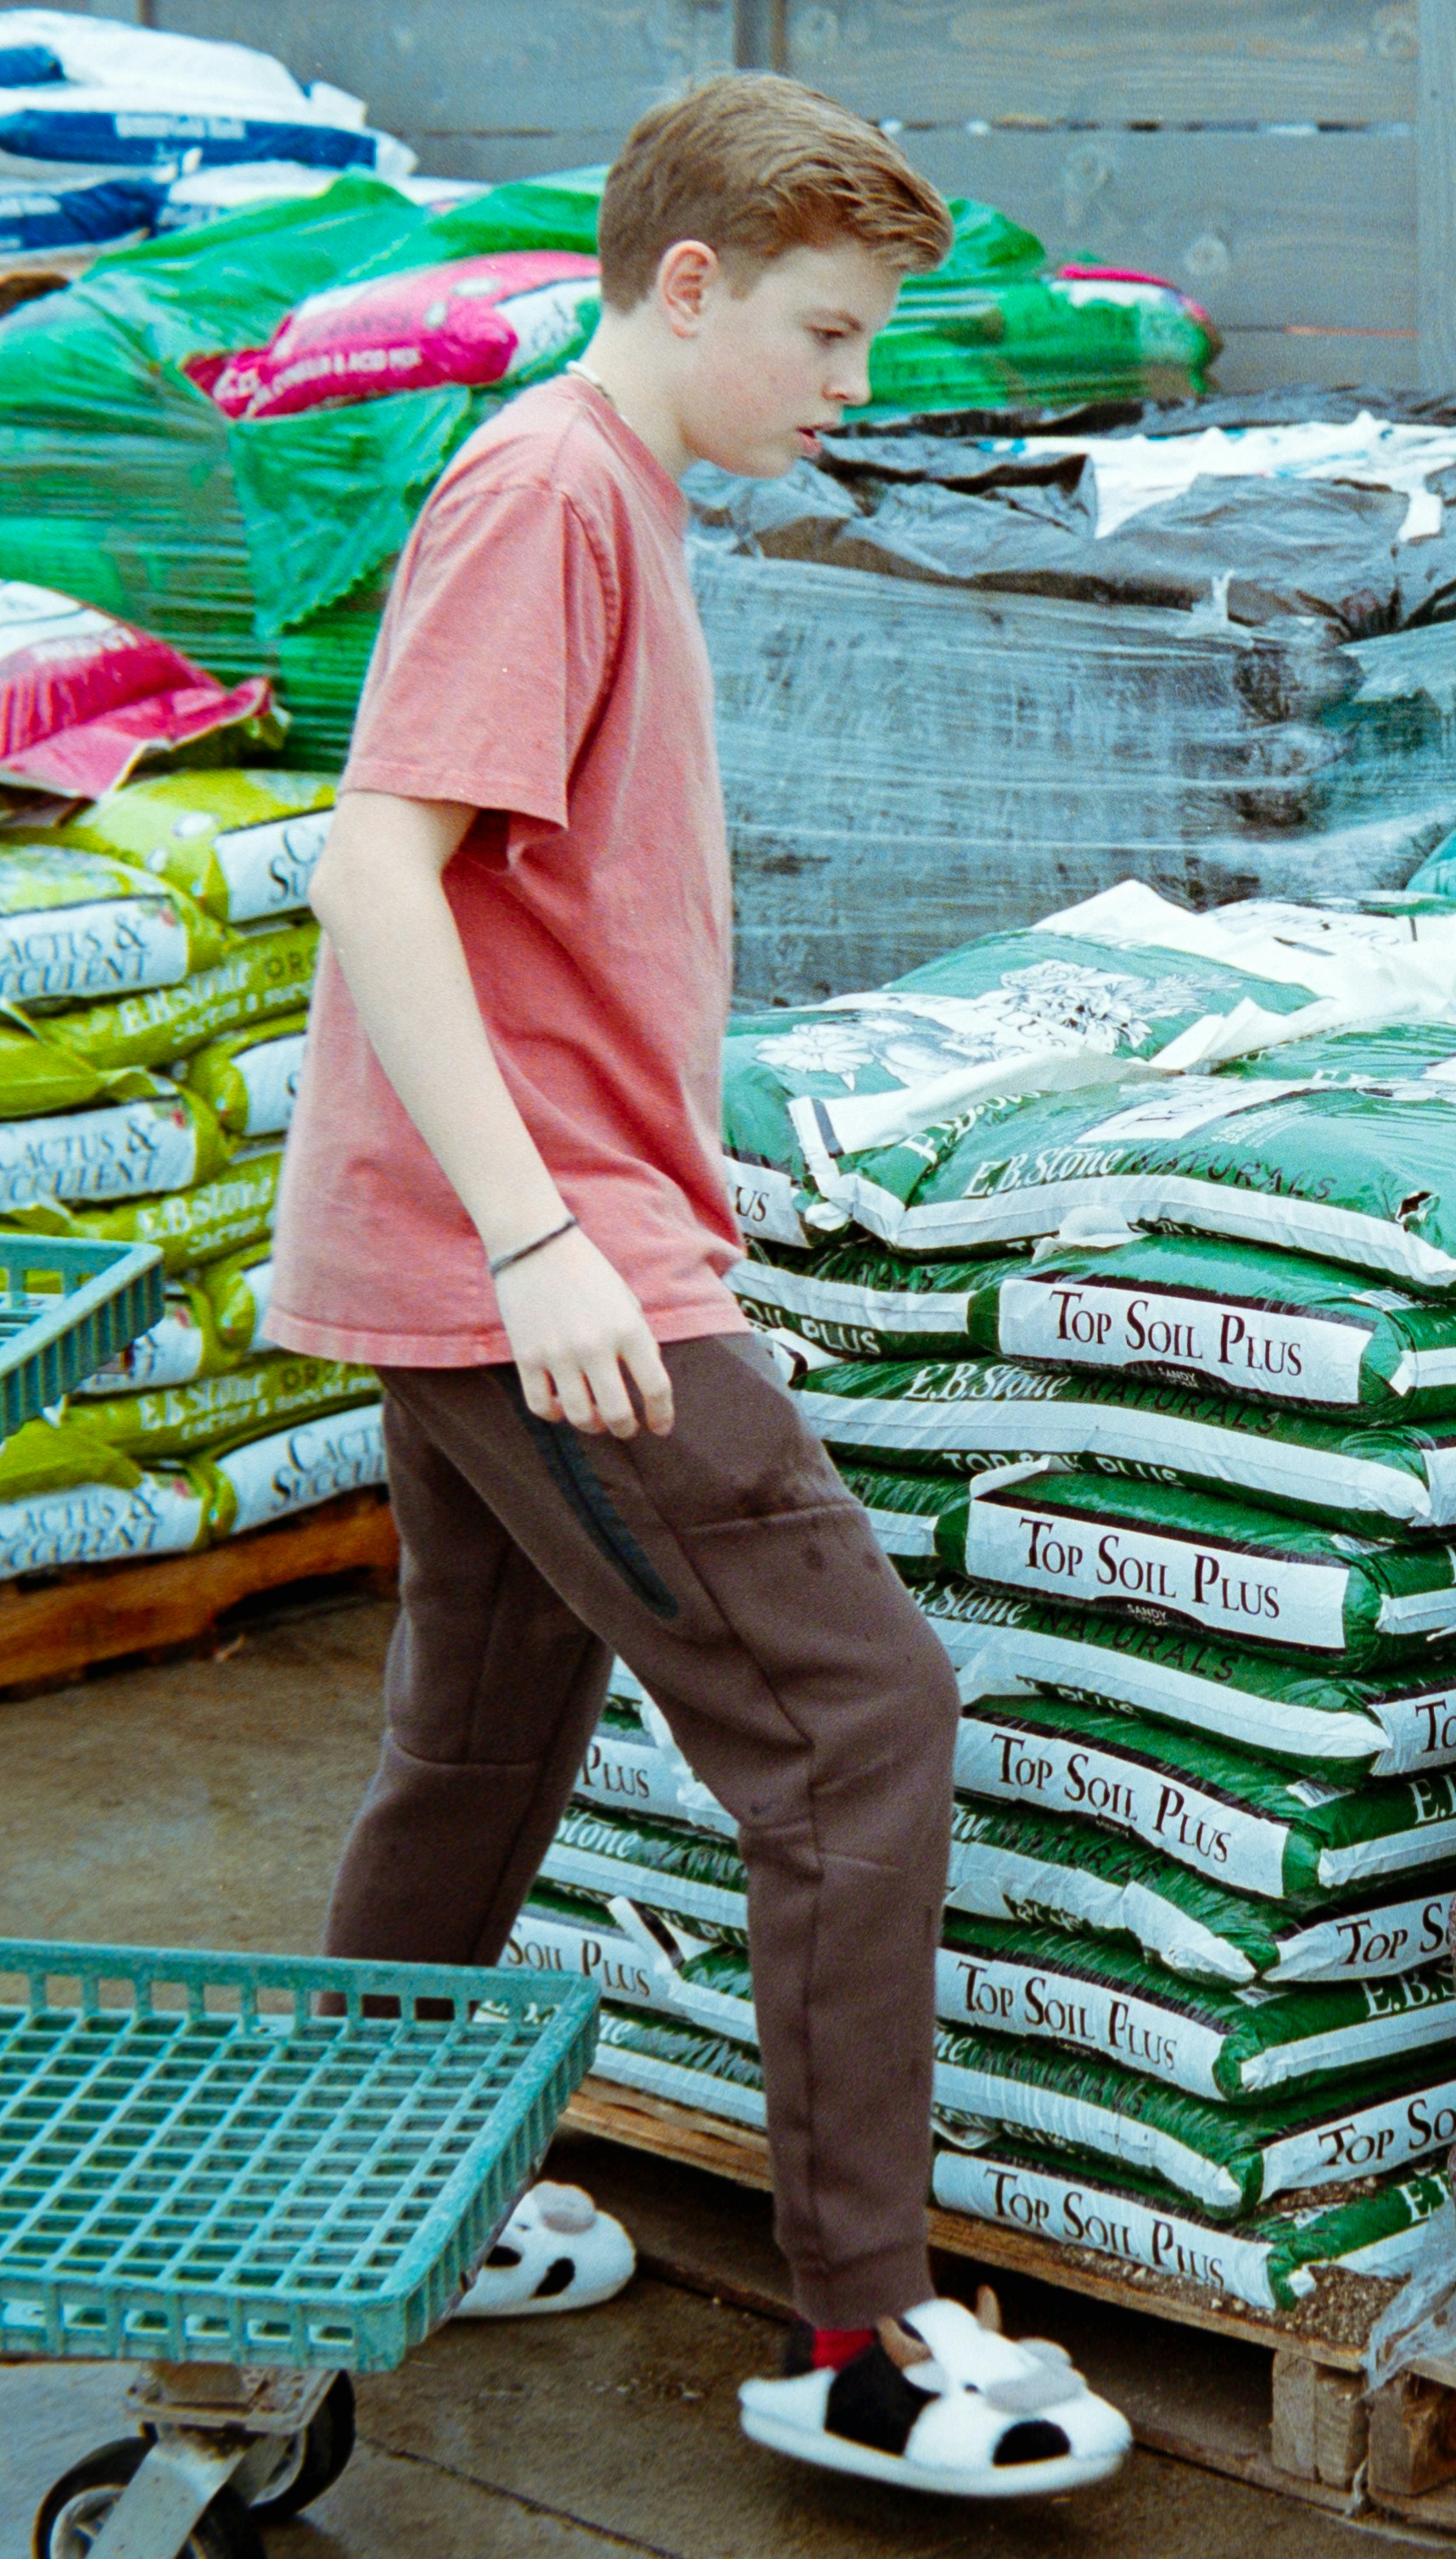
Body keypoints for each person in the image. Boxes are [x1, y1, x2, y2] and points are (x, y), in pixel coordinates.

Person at [266, 71, 1130, 2498]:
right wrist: (551, 1237)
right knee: (861, 1723)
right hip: (542, 1269)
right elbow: (376, 872)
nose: (853, 392)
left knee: (480, 1743)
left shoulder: (615, 497)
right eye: (833, 340)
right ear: (689, 284)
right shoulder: (554, 494)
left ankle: (354, 2192)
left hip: (499, 1255)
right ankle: (865, 2332)